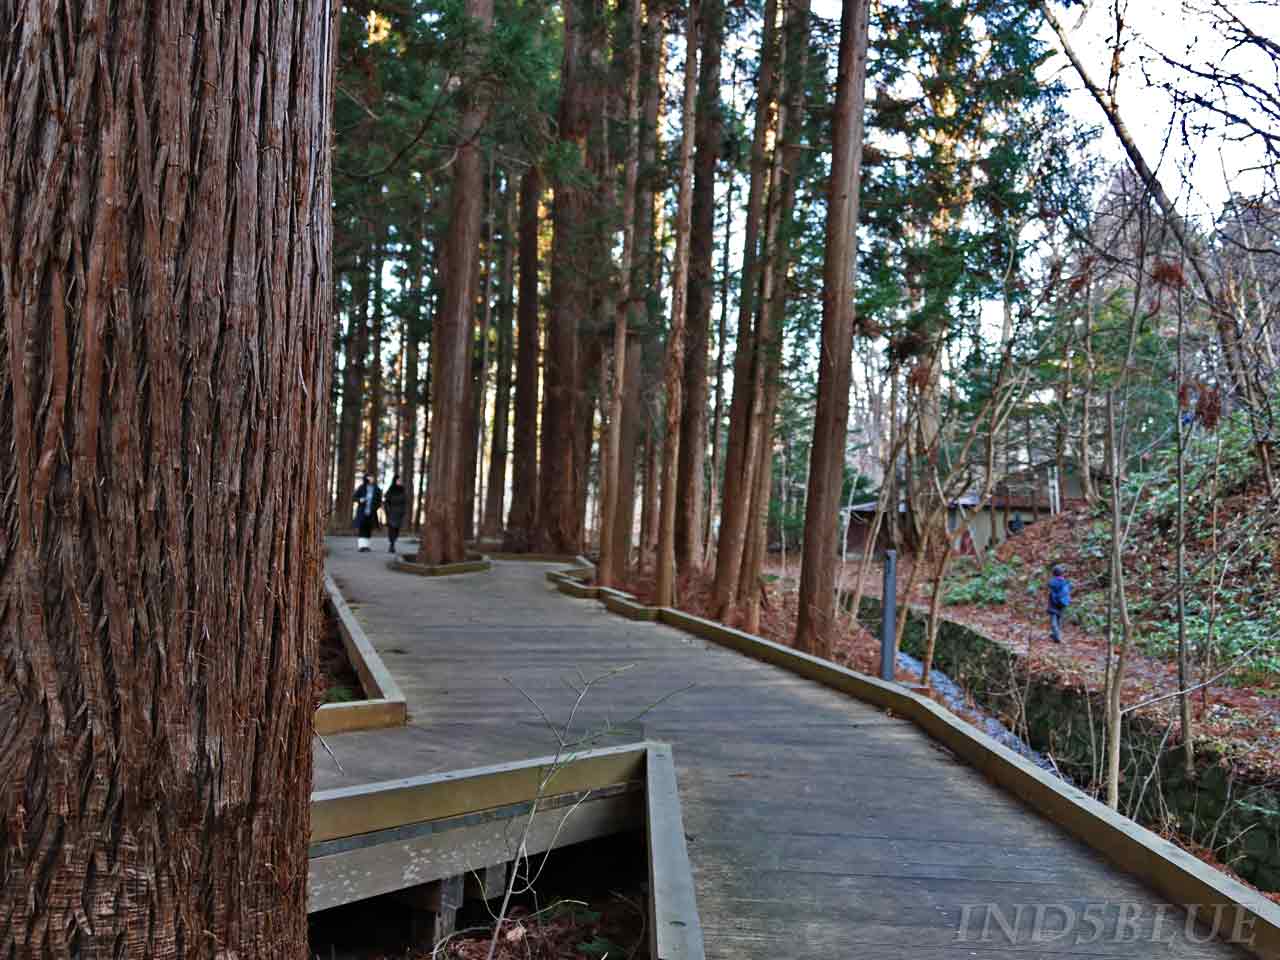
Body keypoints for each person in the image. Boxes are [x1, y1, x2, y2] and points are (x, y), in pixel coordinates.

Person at [353, 474, 382, 553]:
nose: (371, 479)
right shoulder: (361, 487)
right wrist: (360, 500)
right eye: (370, 477)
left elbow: (379, 501)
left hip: (372, 512)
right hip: (362, 512)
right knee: (362, 528)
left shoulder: (377, 489)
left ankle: (367, 546)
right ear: (366, 478)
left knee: (369, 529)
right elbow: (354, 497)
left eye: (372, 477)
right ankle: (361, 546)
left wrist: (375, 508)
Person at [1047, 564, 1071, 643]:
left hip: (1053, 604)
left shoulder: (1051, 582)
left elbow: (1050, 586)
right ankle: (1056, 635)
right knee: (1059, 620)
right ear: (1062, 573)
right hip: (1062, 604)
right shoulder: (1065, 582)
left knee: (1053, 621)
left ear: (1053, 573)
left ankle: (1057, 636)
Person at [383, 475, 407, 554]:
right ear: (395, 481)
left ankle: (393, 541)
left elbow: (405, 502)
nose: (399, 482)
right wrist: (388, 511)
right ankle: (391, 545)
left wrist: (403, 511)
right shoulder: (390, 490)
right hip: (391, 512)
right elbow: (386, 502)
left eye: (400, 481)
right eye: (398, 481)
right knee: (392, 528)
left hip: (399, 513)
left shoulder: (403, 490)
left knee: (397, 530)